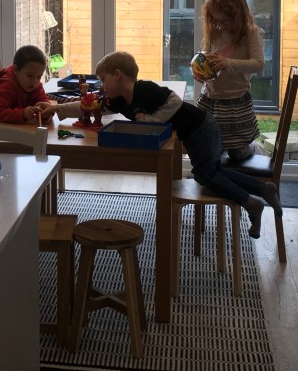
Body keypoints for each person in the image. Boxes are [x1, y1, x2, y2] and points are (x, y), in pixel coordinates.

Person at [43, 50, 280, 238]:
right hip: (193, 132)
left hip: (202, 127)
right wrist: (56, 109)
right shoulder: (117, 101)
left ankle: (249, 202)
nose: (102, 87)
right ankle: (262, 189)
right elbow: (89, 106)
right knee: (211, 172)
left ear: (117, 75)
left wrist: (152, 120)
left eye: (103, 80)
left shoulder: (144, 89)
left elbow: (174, 100)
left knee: (205, 175)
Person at [195, 0, 264, 161]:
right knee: (209, 147)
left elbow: (258, 64)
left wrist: (227, 63)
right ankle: (216, 173)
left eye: (224, 21)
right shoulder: (215, 29)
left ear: (238, 17)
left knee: (237, 152)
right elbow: (207, 54)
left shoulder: (250, 32)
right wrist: (201, 71)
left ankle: (253, 148)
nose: (219, 25)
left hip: (235, 102)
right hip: (210, 99)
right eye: (214, 20)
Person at [0, 44, 55, 125]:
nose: (34, 81)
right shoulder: (5, 87)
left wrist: (46, 111)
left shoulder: (36, 85)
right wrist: (22, 114)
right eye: (30, 76)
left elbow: (42, 101)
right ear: (16, 70)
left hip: (15, 126)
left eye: (39, 77)